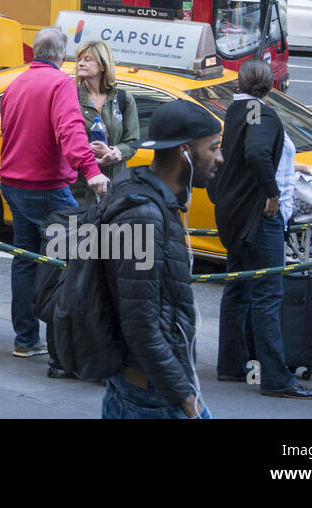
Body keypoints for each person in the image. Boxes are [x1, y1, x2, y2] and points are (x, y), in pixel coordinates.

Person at [101, 100, 224, 419]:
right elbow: (140, 323)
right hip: (153, 398)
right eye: (213, 148)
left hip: (154, 389)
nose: (219, 158)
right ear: (185, 152)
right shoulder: (143, 218)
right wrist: (185, 399)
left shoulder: (150, 197)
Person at [211, 59, 312, 399]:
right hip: (260, 219)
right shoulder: (262, 113)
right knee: (267, 295)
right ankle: (275, 378)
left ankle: (230, 365)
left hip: (235, 216)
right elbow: (257, 152)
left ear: (239, 85)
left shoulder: (237, 111)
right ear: (270, 86)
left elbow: (248, 153)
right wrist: (272, 194)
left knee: (239, 288)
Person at [0, 26, 108, 357]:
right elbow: (71, 132)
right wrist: (91, 171)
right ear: (62, 56)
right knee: (68, 263)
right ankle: (62, 342)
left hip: (14, 183)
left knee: (25, 258)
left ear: (34, 51)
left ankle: (25, 339)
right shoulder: (61, 83)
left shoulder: (16, 83)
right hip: (48, 186)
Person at [72, 40, 139, 206]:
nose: (81, 63)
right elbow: (63, 139)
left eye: (88, 59)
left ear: (102, 66)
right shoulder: (70, 96)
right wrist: (89, 151)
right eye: (79, 59)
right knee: (83, 231)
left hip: (114, 187)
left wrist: (115, 152)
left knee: (111, 231)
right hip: (79, 189)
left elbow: (132, 142)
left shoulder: (123, 99)